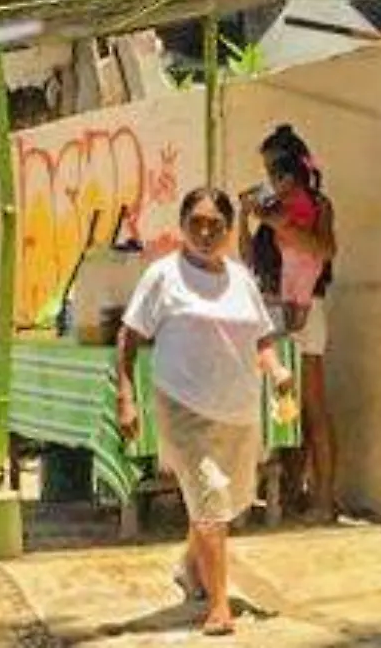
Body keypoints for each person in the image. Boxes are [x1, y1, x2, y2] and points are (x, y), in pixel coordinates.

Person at [116, 188, 294, 637]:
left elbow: (261, 338)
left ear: (229, 229)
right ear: (182, 224)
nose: (205, 231)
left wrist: (277, 372)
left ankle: (190, 565)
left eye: (215, 224)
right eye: (196, 222)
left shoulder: (240, 279)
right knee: (211, 499)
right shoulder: (163, 276)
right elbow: (129, 336)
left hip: (238, 408)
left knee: (226, 503)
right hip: (183, 404)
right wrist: (125, 395)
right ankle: (218, 606)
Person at [241, 124, 338, 523]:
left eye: (273, 171)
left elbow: (324, 248)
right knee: (286, 406)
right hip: (276, 310)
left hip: (307, 312)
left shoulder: (317, 205)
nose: (269, 180)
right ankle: (296, 490)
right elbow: (249, 259)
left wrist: (279, 222)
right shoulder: (273, 210)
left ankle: (325, 498)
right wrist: (248, 220)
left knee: (314, 407)